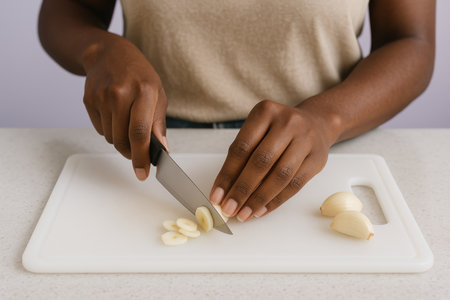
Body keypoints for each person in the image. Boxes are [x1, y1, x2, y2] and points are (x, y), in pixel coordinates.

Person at [38, 0, 435, 222]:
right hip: (161, 141)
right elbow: (66, 13)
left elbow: (411, 42)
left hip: (329, 149)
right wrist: (99, 50)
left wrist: (327, 118)